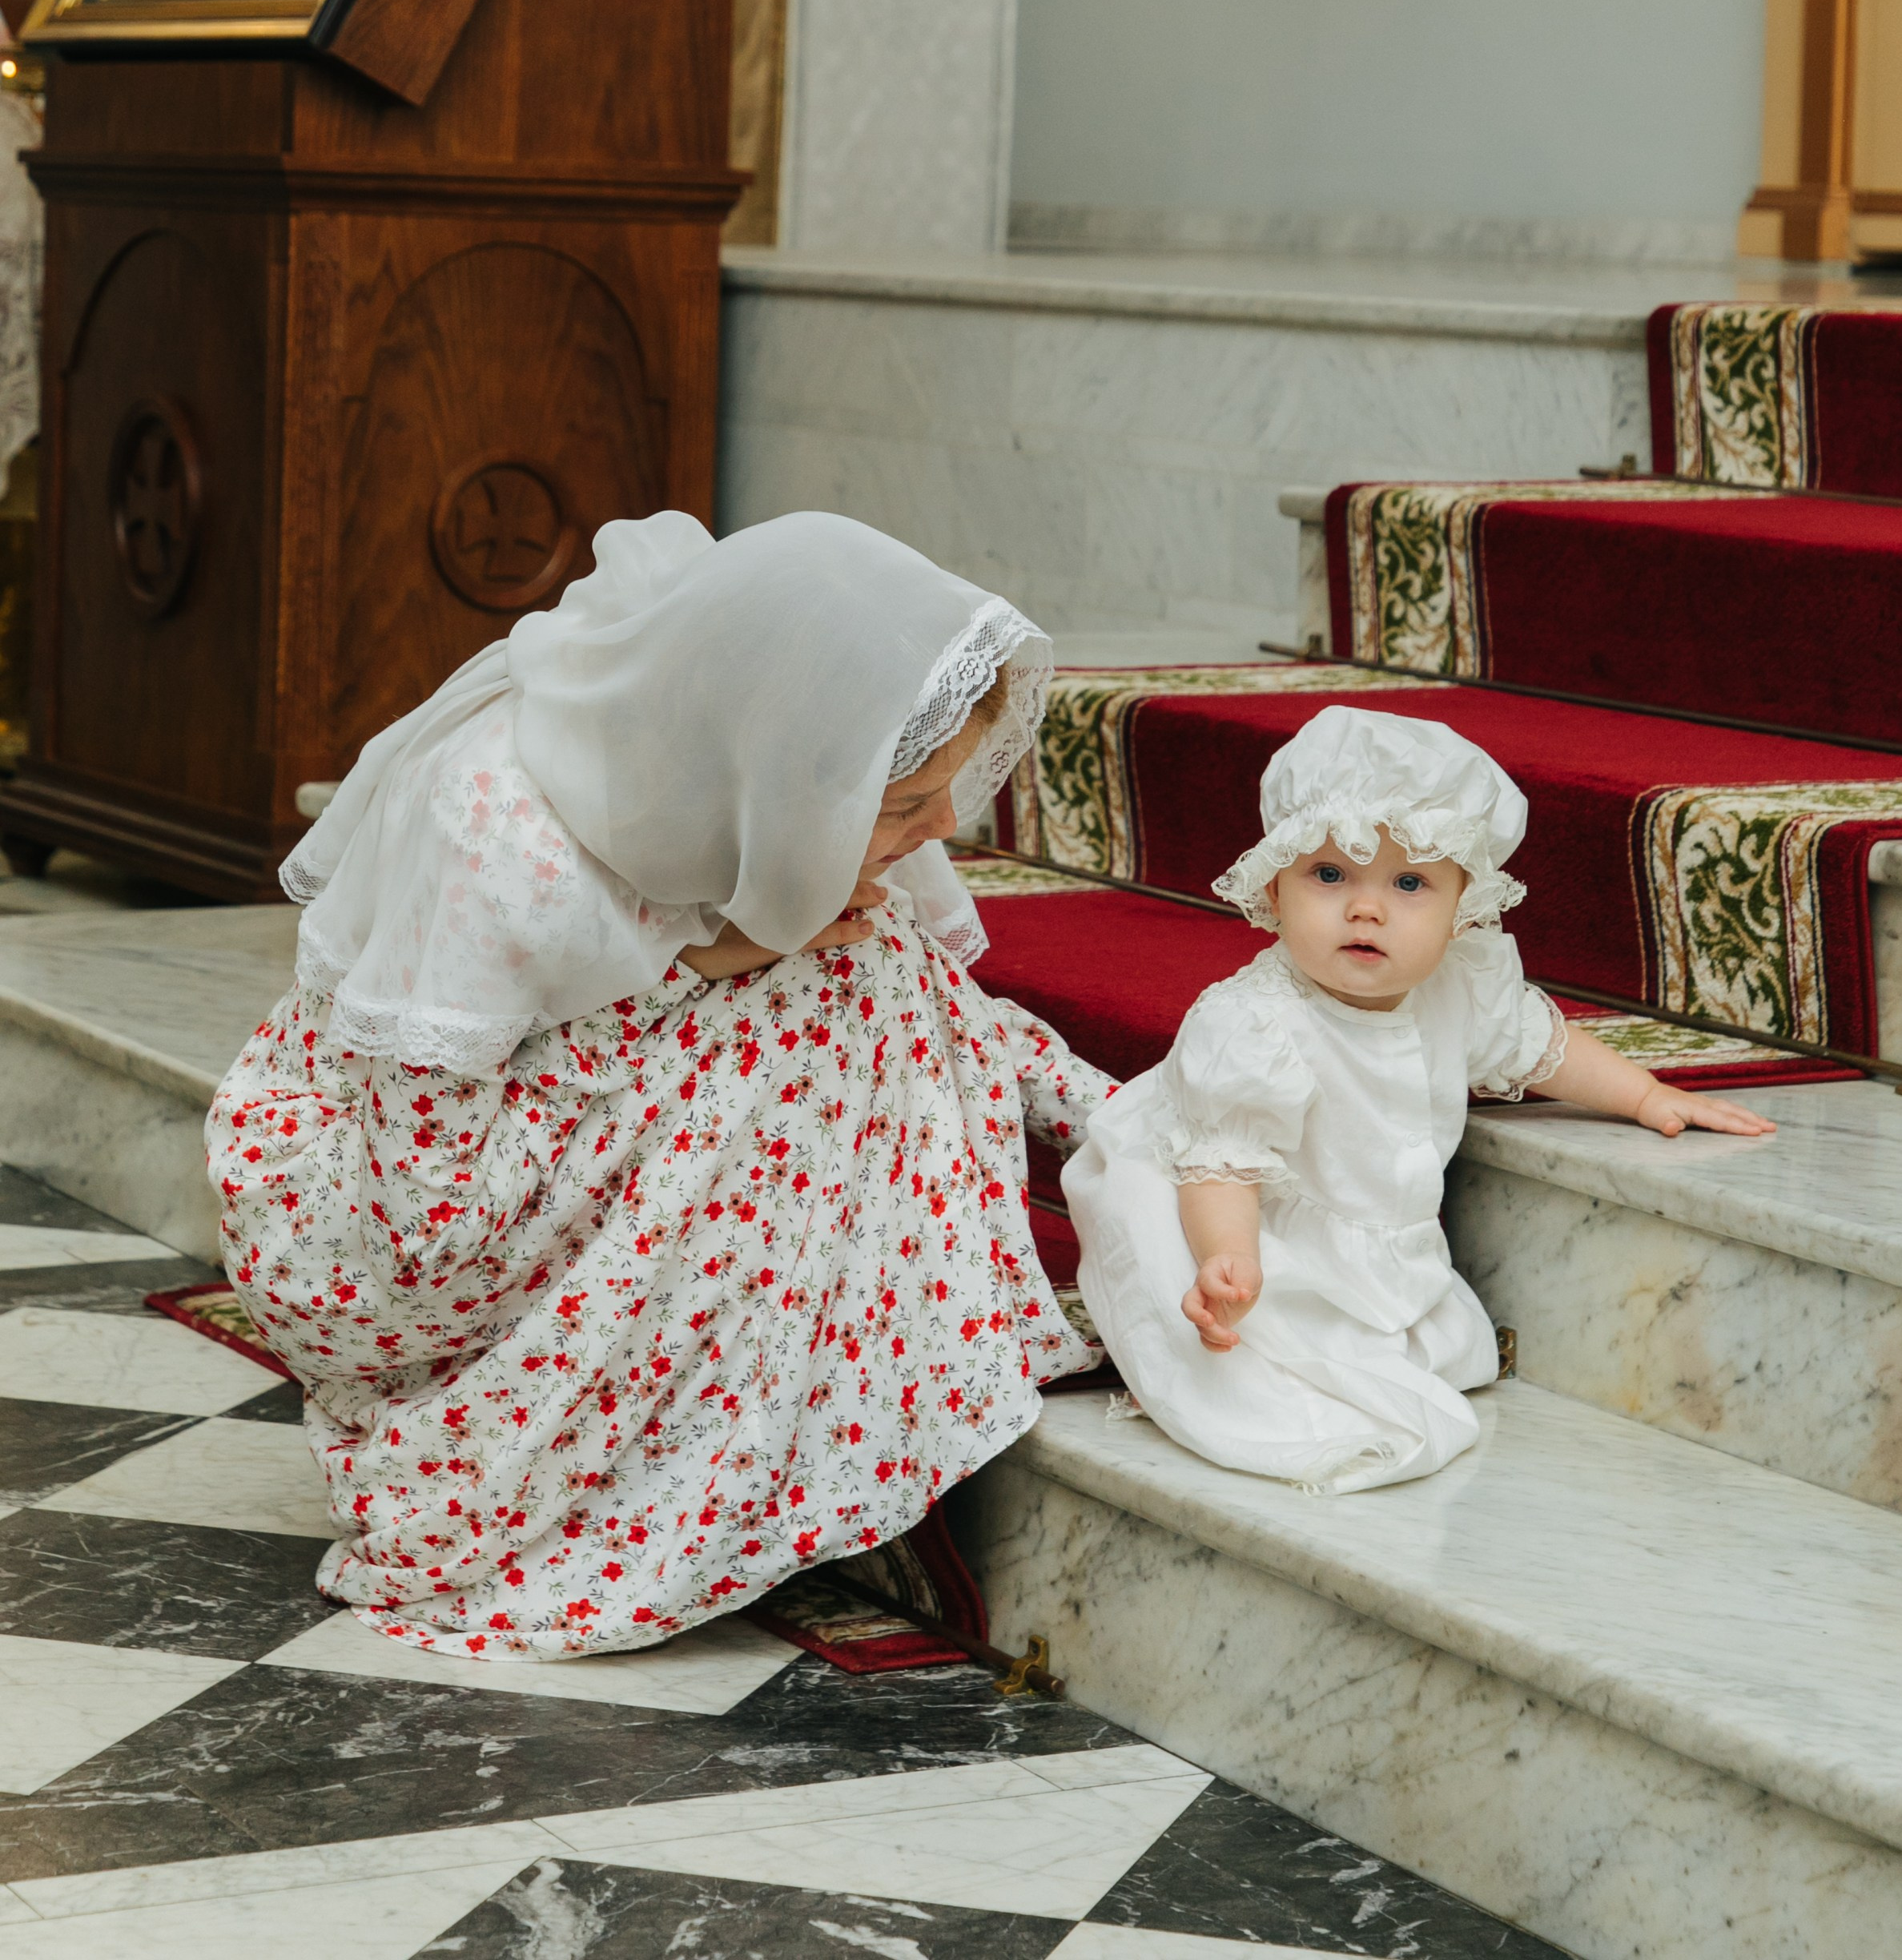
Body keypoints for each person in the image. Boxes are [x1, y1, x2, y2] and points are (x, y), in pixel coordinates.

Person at [207, 510, 1108, 1656]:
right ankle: (647, 1468)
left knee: (858, 963)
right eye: (905, 805)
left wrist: (1148, 1134)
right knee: (822, 997)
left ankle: (800, 1412)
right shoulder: (498, 832)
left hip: (517, 1145)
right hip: (380, 1224)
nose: (945, 825)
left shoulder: (754, 732)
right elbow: (425, 1216)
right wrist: (698, 971)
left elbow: (944, 1009)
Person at [1063, 707, 1776, 1495]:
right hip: (1234, 1206)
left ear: (1461, 908)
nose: (1365, 908)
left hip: (1367, 1218)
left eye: (1409, 884)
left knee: (1429, 1349)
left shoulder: (1457, 985)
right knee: (1251, 1338)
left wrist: (1643, 1094)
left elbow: (1542, 1043)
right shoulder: (1251, 1023)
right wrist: (1226, 1255)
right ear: (1273, 886)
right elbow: (1221, 1164)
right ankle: (1210, 1330)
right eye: (1328, 875)